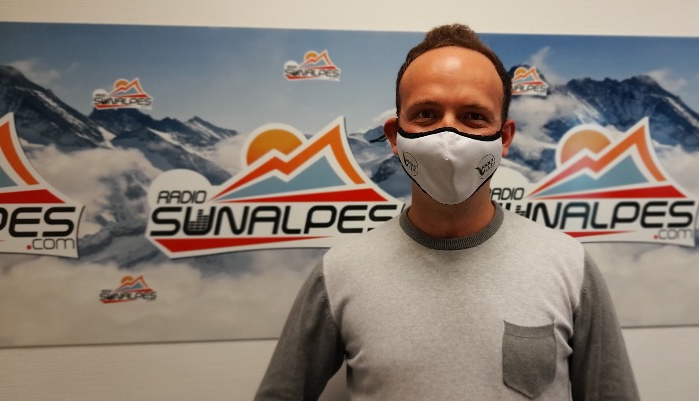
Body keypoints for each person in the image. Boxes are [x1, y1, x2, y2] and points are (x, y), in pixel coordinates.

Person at [255, 24, 639, 400]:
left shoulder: (569, 267)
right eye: (426, 113)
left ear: (504, 138)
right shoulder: (341, 271)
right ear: (394, 137)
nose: (448, 138)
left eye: (473, 116)